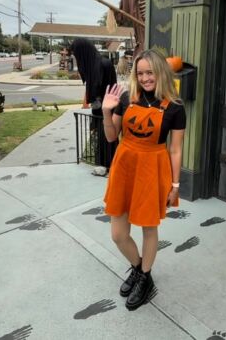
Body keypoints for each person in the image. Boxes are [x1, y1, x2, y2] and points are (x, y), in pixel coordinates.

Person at [101, 49, 186, 310]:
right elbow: (111, 137)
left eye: (150, 72)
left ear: (160, 72)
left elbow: (175, 150)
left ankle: (144, 276)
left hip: (152, 170)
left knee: (149, 228)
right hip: (125, 168)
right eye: (140, 73)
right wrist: (106, 113)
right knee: (118, 234)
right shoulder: (127, 98)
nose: (145, 78)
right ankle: (140, 271)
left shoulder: (175, 107)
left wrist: (175, 185)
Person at [70, 38, 118, 176]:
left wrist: (104, 107)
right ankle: (103, 164)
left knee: (108, 138)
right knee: (101, 138)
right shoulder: (91, 65)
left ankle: (109, 165)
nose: (76, 58)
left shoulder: (103, 64)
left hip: (108, 108)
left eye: (77, 54)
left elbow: (109, 89)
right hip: (98, 109)